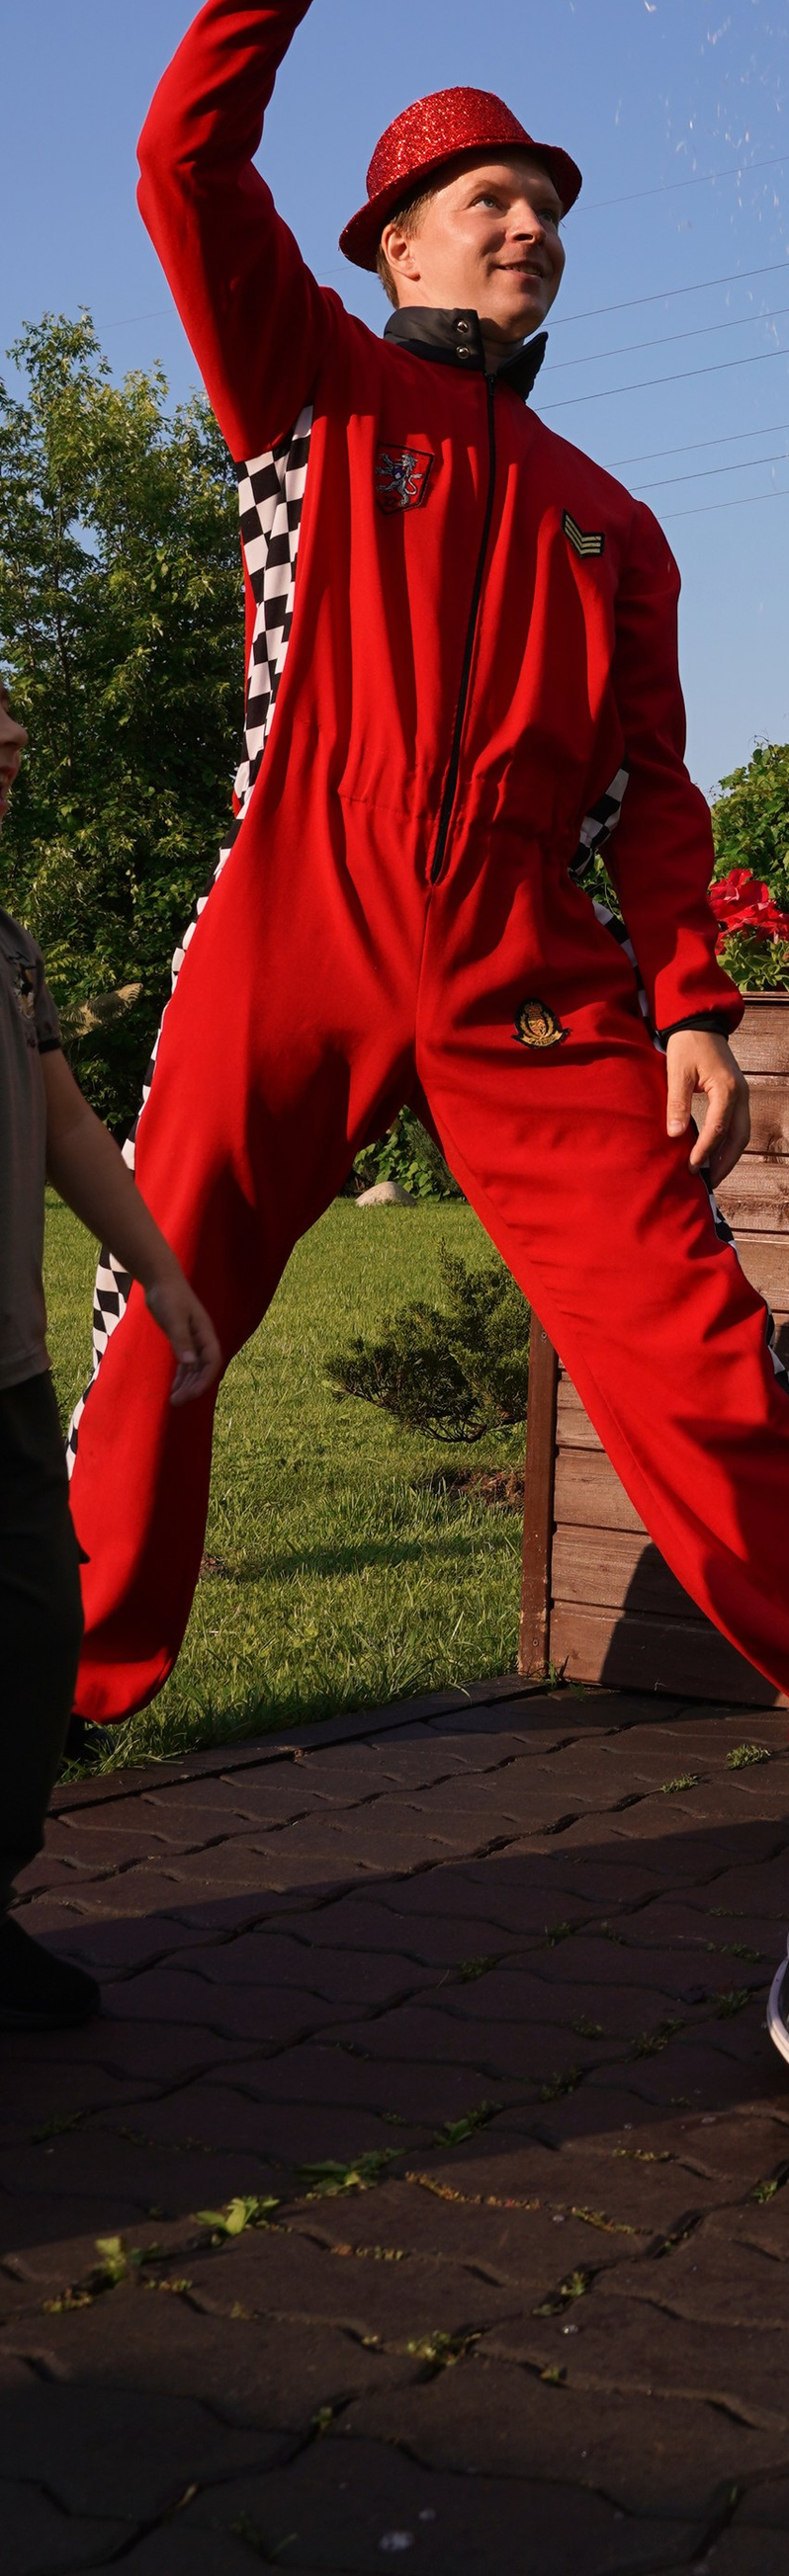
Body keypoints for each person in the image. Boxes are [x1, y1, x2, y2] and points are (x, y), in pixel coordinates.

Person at [65, 0, 789, 1846]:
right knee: (162, 1318)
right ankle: (42, 1743)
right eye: (475, 193)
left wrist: (685, 1003)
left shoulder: (612, 527)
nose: (520, 217)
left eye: (540, 198)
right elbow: (178, 161)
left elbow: (657, 797)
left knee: (686, 1336)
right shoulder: (300, 383)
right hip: (290, 910)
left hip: (516, 959)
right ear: (384, 240)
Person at [1, 687, 223, 2028]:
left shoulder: (10, 947)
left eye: (17, 742)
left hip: (11, 1386)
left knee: (30, 1646)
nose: (13, 753)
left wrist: (157, 1263)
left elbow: (67, 1117)